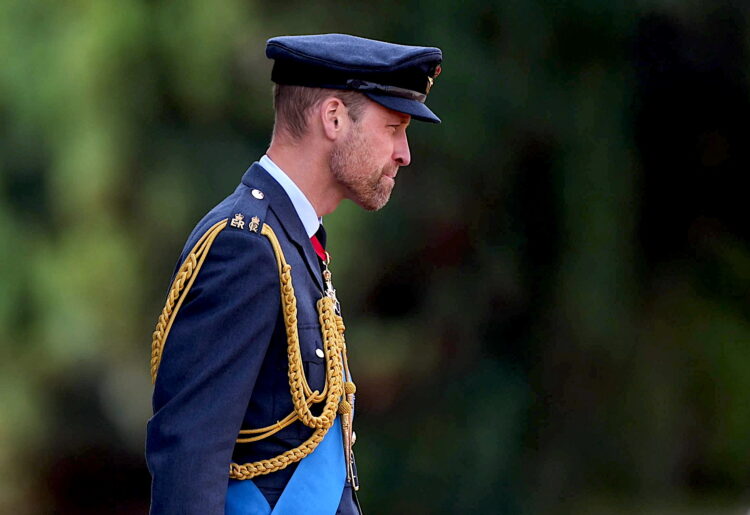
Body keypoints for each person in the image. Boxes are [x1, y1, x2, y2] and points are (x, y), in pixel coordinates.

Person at [146, 33, 442, 515]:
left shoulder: (293, 242)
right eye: (393, 127)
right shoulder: (245, 245)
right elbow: (189, 457)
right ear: (333, 118)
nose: (404, 152)